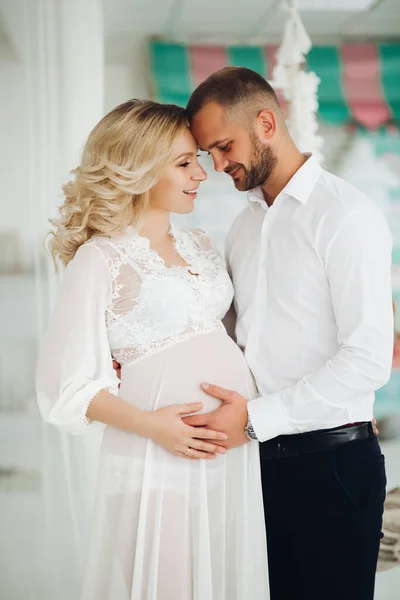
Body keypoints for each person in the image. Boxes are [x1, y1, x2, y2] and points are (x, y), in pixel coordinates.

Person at [36, 100, 269, 600]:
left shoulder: (204, 245)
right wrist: (155, 427)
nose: (202, 174)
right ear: (138, 168)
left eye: (199, 160)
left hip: (230, 455)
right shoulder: (98, 260)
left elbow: (244, 339)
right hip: (152, 457)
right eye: (184, 162)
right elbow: (65, 388)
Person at [183, 67, 393, 600]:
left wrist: (254, 420)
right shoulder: (243, 226)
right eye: (208, 153)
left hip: (333, 465)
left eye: (224, 146)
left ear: (267, 122)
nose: (218, 165)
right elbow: (226, 332)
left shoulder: (346, 216)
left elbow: (369, 358)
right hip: (257, 462)